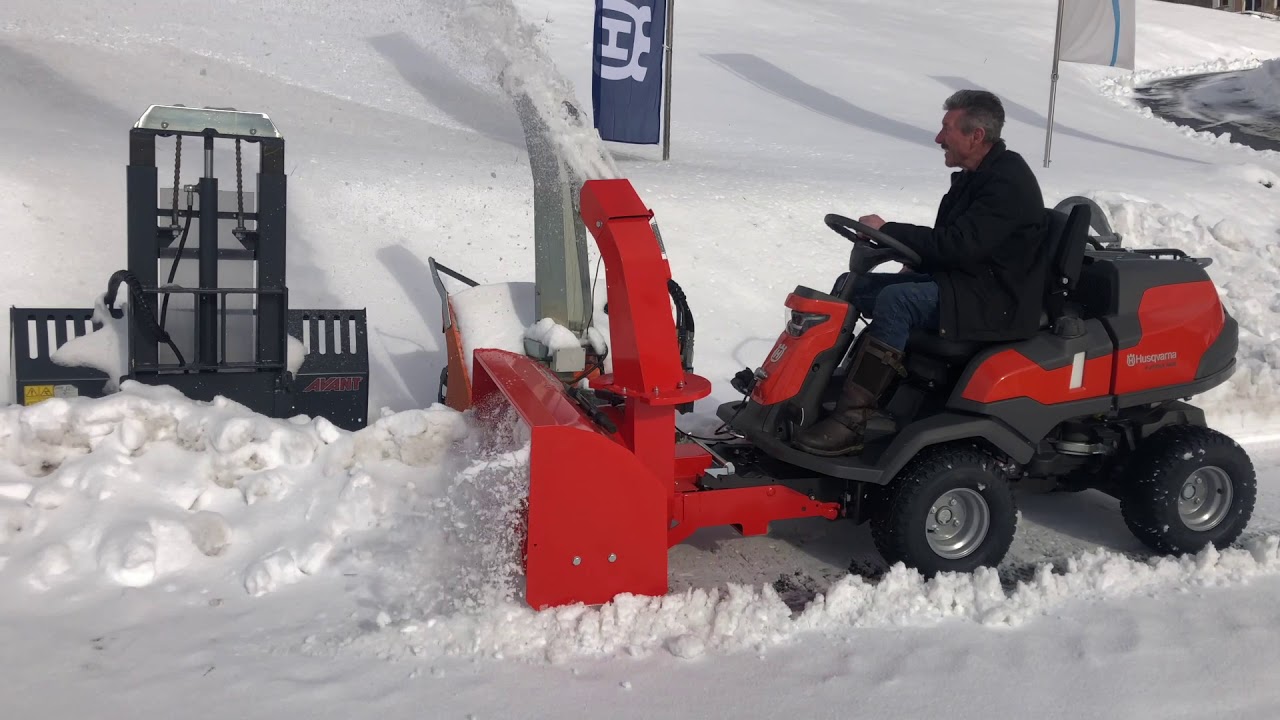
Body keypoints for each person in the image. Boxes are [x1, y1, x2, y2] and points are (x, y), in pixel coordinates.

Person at [794, 89, 1046, 457]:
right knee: (855, 286)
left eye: (947, 129)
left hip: (995, 300)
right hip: (966, 284)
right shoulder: (975, 176)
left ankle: (853, 419)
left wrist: (890, 229)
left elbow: (959, 245)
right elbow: (956, 246)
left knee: (898, 300)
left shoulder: (1007, 182)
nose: (938, 138)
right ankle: (825, 386)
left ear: (975, 136)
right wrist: (911, 260)